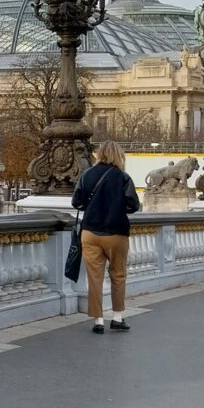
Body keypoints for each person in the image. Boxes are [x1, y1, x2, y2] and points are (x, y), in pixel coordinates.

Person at [72, 140, 141, 334]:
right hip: (116, 233)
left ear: (100, 154)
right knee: (118, 275)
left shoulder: (87, 175)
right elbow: (133, 205)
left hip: (90, 232)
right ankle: (117, 318)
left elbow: (76, 202)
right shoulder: (123, 177)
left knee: (95, 278)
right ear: (119, 156)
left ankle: (98, 321)